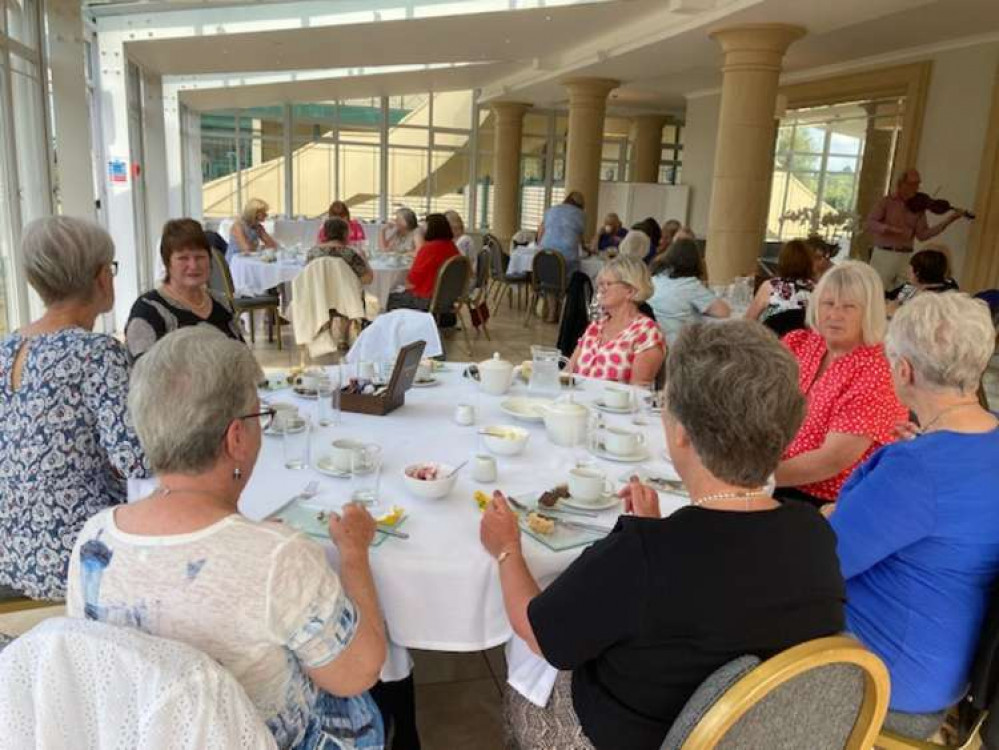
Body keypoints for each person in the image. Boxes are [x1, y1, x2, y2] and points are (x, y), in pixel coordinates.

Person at [482, 321, 845, 750]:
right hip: (760, 734)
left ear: (680, 433)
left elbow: (539, 633)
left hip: (632, 737)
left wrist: (506, 548)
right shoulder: (815, 534)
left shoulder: (644, 554)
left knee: (525, 669)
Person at [66, 328, 387, 750]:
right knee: (365, 708)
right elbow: (357, 673)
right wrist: (354, 555)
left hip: (140, 735)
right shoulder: (278, 557)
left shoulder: (96, 537)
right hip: (260, 738)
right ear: (236, 438)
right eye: (260, 418)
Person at [827, 293, 999, 730]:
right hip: (959, 658)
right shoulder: (976, 444)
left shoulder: (915, 468)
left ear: (903, 370)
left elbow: (826, 564)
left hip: (892, 674)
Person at [0, 217, 147, 601]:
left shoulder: (4, 349)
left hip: (9, 546)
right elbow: (136, 460)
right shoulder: (96, 353)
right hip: (77, 553)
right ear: (102, 277)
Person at [774, 261, 908, 507]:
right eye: (828, 304)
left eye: (849, 307)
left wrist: (754, 478)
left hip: (828, 502)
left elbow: (832, 460)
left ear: (869, 312)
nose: (835, 315)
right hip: (773, 478)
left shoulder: (878, 371)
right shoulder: (799, 344)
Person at [125, 219, 245, 360]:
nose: (193, 265)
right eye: (183, 258)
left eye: (200, 257)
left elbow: (243, 357)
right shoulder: (148, 309)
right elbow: (143, 373)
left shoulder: (222, 303)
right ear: (167, 262)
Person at [567, 257, 665, 385]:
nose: (601, 290)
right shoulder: (597, 326)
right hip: (577, 401)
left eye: (608, 284)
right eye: (600, 284)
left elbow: (639, 391)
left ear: (630, 291)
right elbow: (568, 371)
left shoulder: (646, 332)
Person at [865, 169, 966, 289]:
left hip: (906, 255)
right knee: (876, 290)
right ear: (901, 184)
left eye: (918, 184)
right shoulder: (887, 202)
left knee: (905, 292)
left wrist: (949, 220)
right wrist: (889, 229)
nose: (916, 188)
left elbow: (923, 235)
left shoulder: (919, 206)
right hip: (884, 254)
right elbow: (870, 222)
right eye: (913, 184)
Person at [647, 239, 730, 344]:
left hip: (653, 340)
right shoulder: (690, 285)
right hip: (680, 345)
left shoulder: (655, 278)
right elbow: (723, 311)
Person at [386, 213, 459, 312]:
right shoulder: (452, 247)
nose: (422, 227)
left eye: (425, 225)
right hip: (448, 299)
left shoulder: (429, 248)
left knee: (389, 298)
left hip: (425, 298)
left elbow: (412, 279)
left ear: (431, 228)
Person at [745, 239, 815, 323]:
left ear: (782, 261)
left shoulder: (771, 286)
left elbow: (748, 320)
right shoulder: (816, 290)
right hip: (803, 335)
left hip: (772, 335)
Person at [885, 248, 958, 316]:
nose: (907, 272)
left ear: (917, 273)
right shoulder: (910, 287)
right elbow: (895, 304)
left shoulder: (944, 294)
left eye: (910, 269)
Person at [307, 217, 374, 285]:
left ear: (325, 233)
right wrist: (364, 259)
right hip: (345, 294)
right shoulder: (349, 254)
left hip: (319, 293)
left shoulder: (313, 253)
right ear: (345, 234)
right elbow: (368, 279)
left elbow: (309, 277)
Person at [537, 191, 586, 274]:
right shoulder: (580, 215)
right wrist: (585, 247)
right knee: (578, 274)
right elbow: (580, 239)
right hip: (567, 260)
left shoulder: (551, 210)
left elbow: (540, 234)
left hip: (543, 256)